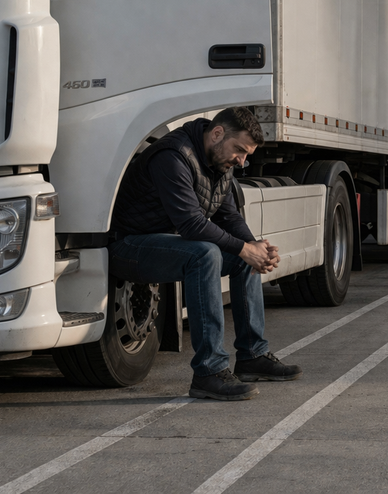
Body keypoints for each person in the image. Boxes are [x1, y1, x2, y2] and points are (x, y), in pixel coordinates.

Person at [108, 106, 301, 401]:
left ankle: (252, 355)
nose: (241, 160)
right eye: (239, 150)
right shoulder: (172, 156)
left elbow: (229, 216)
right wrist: (246, 249)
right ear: (217, 133)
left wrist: (255, 247)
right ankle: (208, 372)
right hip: (130, 246)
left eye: (247, 155)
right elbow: (191, 224)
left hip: (166, 243)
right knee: (206, 253)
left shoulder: (219, 164)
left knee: (240, 258)